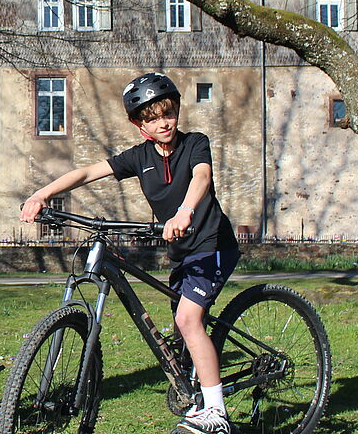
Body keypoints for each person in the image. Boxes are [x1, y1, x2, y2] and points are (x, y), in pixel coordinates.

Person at [19, 72, 240, 434]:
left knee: (187, 320)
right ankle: (196, 391)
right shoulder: (140, 157)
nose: (163, 123)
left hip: (212, 244)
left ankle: (216, 414)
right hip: (181, 250)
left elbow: (201, 177)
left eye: (167, 113)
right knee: (186, 327)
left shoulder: (195, 143)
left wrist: (185, 210)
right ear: (139, 125)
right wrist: (42, 193)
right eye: (151, 118)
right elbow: (89, 171)